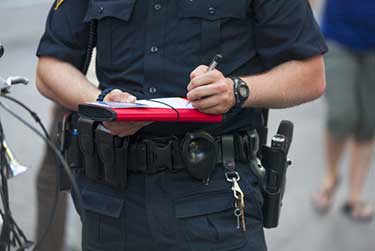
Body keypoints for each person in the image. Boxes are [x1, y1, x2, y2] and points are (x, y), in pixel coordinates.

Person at [35, 0, 327, 250]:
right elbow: (50, 68)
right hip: (112, 201)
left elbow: (310, 75)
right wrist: (103, 105)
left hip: (214, 200)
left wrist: (235, 90)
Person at [312, 0, 375, 222]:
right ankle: (330, 178)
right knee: (341, 114)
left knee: (369, 121)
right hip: (337, 38)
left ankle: (354, 196)